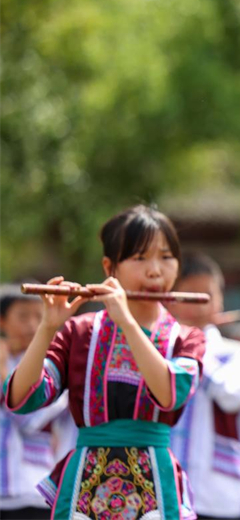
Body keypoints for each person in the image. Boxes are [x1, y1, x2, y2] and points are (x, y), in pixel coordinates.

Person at [3, 205, 205, 519]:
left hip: (155, 483)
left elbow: (170, 394)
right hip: (86, 484)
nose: (155, 270)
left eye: (166, 257)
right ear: (110, 267)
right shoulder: (79, 331)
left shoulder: (186, 338)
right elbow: (21, 399)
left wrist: (125, 321)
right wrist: (47, 326)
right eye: (140, 258)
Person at [168, 252, 240, 520]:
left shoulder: (237, 354)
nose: (200, 305)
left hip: (217, 493)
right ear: (170, 300)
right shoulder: (158, 350)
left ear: (220, 300)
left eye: (207, 295)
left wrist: (194, 345)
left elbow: (230, 396)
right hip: (163, 489)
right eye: (190, 295)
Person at [0, 285, 74, 519]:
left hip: (33, 489)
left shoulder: (51, 368)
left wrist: (3, 373)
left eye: (39, 317)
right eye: (23, 316)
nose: (32, 325)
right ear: (2, 321)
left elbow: (29, 419)